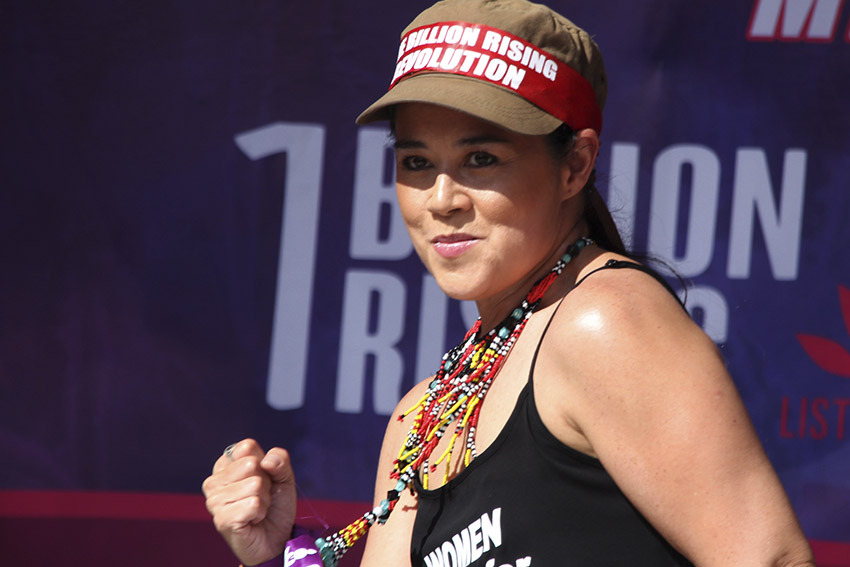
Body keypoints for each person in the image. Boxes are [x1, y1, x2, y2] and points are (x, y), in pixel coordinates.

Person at [203, 1, 815, 566]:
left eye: (481, 158)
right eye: (417, 162)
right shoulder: (420, 417)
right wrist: (277, 553)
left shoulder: (605, 322)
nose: (441, 200)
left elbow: (771, 559)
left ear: (574, 164)